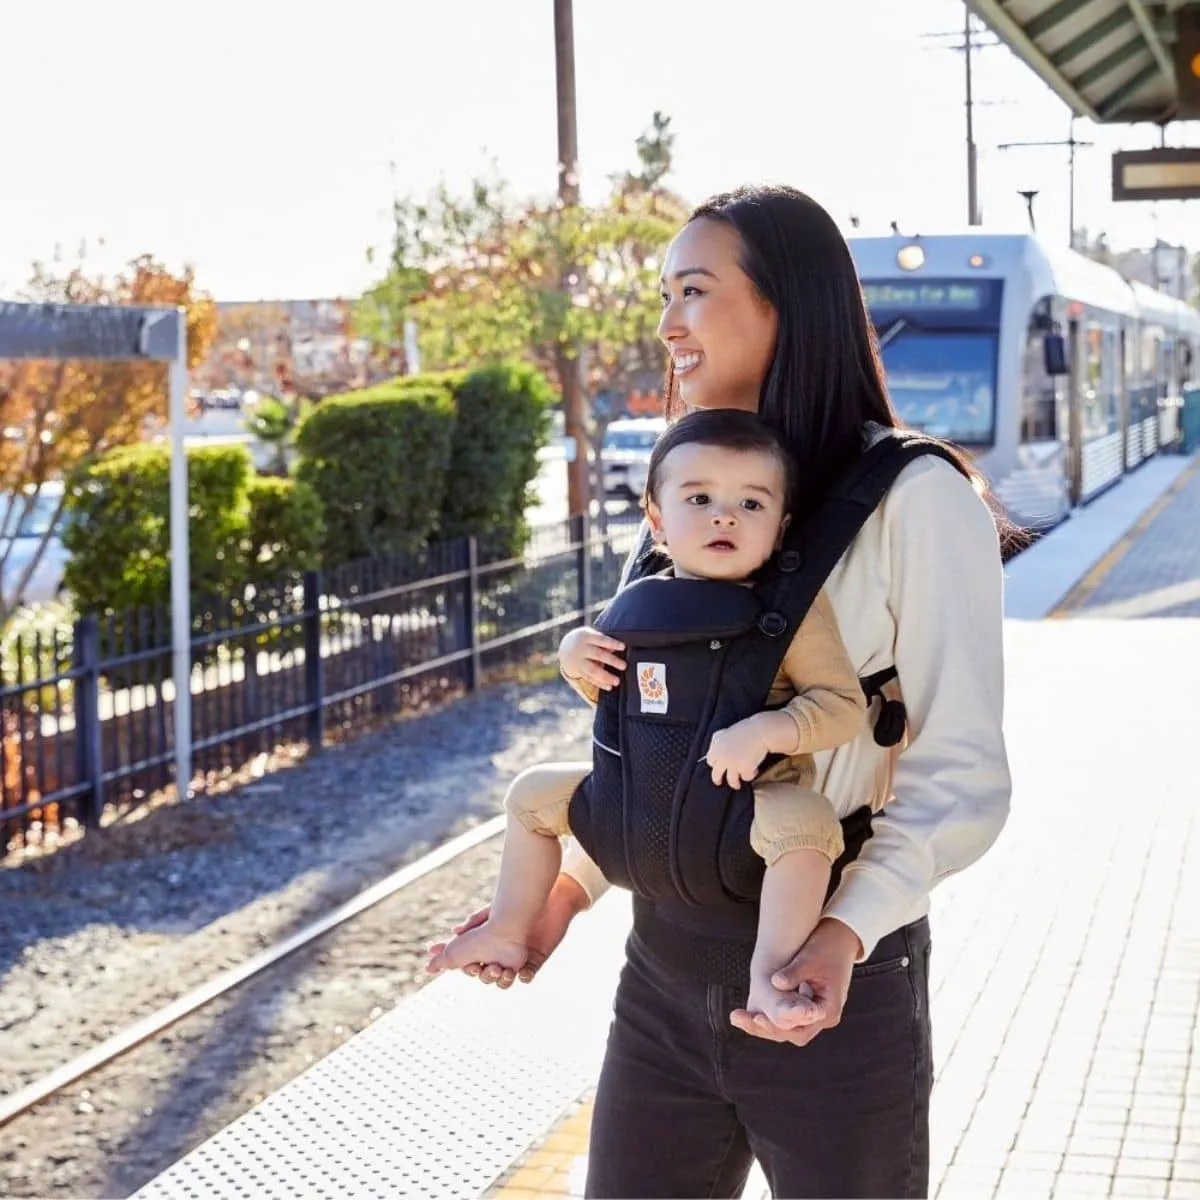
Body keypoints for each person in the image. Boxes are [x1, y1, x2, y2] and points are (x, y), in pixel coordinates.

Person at [439, 184, 1011, 1199]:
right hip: (660, 975)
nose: (668, 325)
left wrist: (839, 937)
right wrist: (563, 898)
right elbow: (663, 753)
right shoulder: (688, 489)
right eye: (666, 295)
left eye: (693, 292)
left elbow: (959, 777)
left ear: (786, 305)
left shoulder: (918, 502)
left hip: (832, 981)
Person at [427, 409, 867, 1030]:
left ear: (781, 526)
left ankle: (772, 978)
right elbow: (623, 698)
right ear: (656, 520)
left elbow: (842, 707)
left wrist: (767, 731)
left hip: (744, 811)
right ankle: (506, 928)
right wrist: (575, 656)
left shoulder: (790, 614)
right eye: (700, 498)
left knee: (810, 825)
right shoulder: (643, 602)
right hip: (635, 807)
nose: (724, 515)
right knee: (530, 796)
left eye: (751, 503)